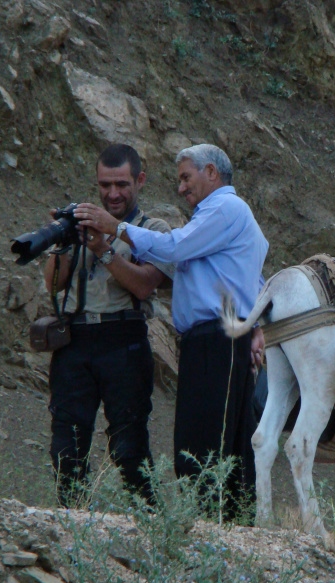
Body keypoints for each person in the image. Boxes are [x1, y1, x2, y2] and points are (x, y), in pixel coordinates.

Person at [74, 143, 268, 521]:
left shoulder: (225, 209)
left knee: (206, 443)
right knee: (224, 443)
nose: (180, 188)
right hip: (215, 339)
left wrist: (117, 228)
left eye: (185, 177)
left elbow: (174, 247)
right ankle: (231, 532)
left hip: (218, 339)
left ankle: (208, 533)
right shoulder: (219, 217)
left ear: (211, 172)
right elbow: (250, 276)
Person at [44, 143, 172, 507]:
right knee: (66, 445)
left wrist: (104, 247)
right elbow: (53, 284)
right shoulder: (80, 223)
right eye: (105, 185)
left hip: (124, 340)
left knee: (129, 448)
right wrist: (61, 241)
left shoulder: (152, 229)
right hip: (75, 340)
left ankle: (152, 527)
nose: (112, 194)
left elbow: (145, 284)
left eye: (121, 184)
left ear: (140, 180)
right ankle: (73, 525)